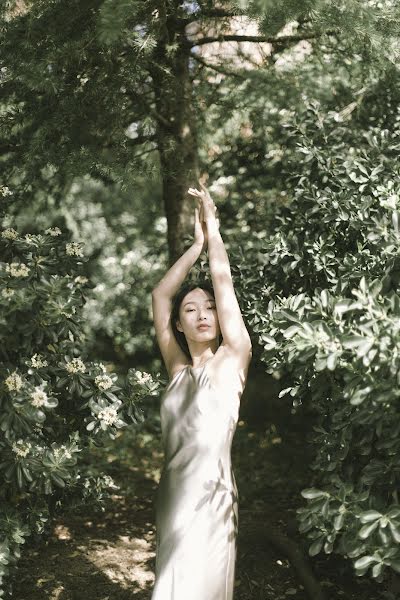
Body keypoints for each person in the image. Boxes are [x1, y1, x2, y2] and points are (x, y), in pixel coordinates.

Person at [150, 181, 252, 600]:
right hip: (173, 497)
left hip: (213, 499)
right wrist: (194, 245)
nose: (202, 314)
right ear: (179, 324)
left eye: (208, 307)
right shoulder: (176, 369)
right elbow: (159, 295)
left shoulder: (233, 359)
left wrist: (213, 233)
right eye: (190, 310)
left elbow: (222, 282)